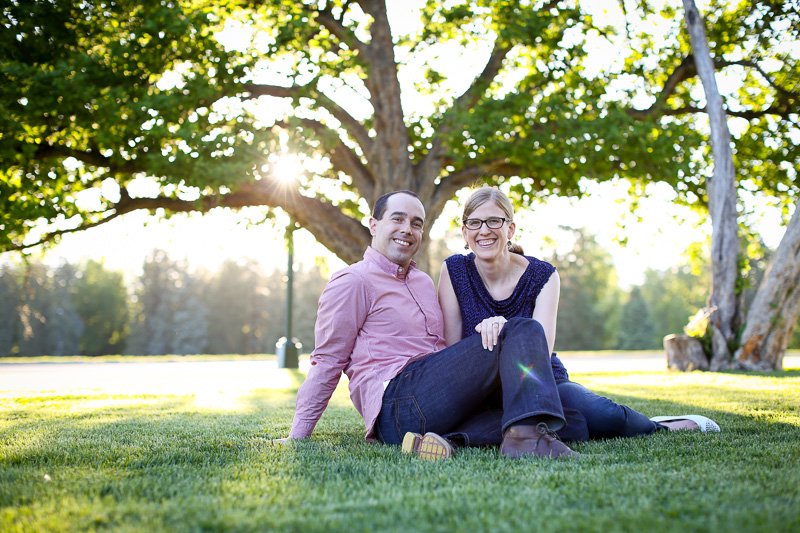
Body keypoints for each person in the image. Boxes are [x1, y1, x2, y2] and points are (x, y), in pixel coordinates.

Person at [280, 190, 581, 459]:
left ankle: (447, 442)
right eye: (397, 219)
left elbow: (445, 350)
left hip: (437, 396)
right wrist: (298, 435)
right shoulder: (352, 281)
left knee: (570, 418)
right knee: (522, 328)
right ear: (374, 225)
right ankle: (525, 443)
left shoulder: (423, 281)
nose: (407, 230)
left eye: (416, 223)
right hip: (396, 401)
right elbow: (328, 360)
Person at [437, 186, 721, 442]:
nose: (484, 230)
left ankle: (663, 426)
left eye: (494, 221)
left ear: (510, 229)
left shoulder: (542, 275)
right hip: (480, 389)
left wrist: (504, 330)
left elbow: (542, 352)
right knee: (570, 429)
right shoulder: (454, 271)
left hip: (540, 381)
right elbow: (452, 351)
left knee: (602, 416)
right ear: (465, 233)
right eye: (474, 223)